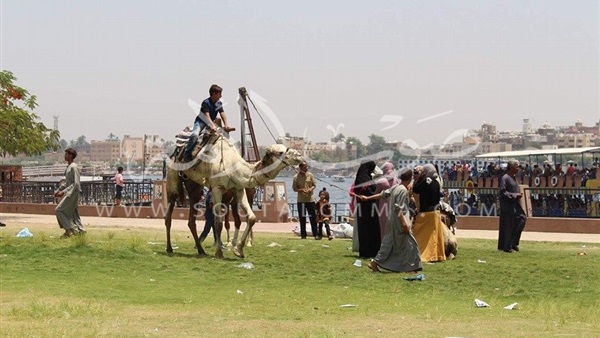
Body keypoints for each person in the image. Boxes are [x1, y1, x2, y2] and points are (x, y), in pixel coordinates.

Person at [362, 168, 422, 273]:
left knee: (388, 243)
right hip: (399, 221)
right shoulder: (403, 190)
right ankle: (410, 268)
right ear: (410, 178)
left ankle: (374, 263)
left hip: (391, 220)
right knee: (411, 244)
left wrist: (368, 198)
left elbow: (382, 194)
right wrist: (404, 224)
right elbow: (398, 208)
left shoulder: (396, 187)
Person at [184, 84, 235, 160]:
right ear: (214, 94)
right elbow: (206, 116)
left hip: (212, 122)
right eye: (219, 94)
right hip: (201, 122)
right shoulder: (206, 103)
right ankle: (187, 154)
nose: (221, 96)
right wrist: (212, 125)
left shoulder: (218, 103)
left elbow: (222, 113)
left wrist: (226, 124)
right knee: (194, 135)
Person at [411, 164, 446, 262]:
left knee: (421, 236)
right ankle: (437, 255)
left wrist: (417, 179)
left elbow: (415, 189)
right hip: (436, 212)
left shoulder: (425, 181)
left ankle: (424, 255)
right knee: (434, 236)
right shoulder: (436, 182)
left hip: (426, 212)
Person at [353, 161, 382, 258]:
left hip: (361, 207)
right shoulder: (367, 180)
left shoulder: (359, 179)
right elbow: (371, 192)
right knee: (372, 229)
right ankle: (372, 251)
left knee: (363, 230)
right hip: (370, 207)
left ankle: (364, 251)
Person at [498, 159, 527, 253]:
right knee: (508, 226)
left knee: (522, 219)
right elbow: (503, 192)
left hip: (515, 205)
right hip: (507, 206)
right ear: (511, 167)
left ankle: (514, 243)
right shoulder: (505, 178)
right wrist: (515, 195)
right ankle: (507, 246)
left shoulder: (514, 178)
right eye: (516, 166)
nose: (518, 168)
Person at [53, 148, 82, 238]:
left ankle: (68, 231)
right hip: (69, 193)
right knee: (73, 214)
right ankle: (79, 232)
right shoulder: (69, 167)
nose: (64, 156)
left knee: (59, 210)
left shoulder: (73, 167)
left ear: (70, 155)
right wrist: (59, 190)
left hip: (73, 193)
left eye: (66, 154)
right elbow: (67, 182)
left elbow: (75, 183)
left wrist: (64, 192)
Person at [292, 161, 319, 239]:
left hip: (310, 200)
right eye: (304, 167)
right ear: (300, 168)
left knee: (313, 218)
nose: (306, 168)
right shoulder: (296, 177)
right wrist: (301, 190)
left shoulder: (310, 175)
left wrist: (310, 189)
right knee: (302, 218)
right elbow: (294, 188)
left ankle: (315, 234)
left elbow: (314, 185)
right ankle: (303, 235)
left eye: (306, 166)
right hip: (301, 201)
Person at [374, 162, 398, 240]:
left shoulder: (382, 181)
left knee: (384, 228)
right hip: (395, 206)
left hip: (383, 208)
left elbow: (376, 195)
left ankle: (384, 246)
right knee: (393, 228)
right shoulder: (397, 180)